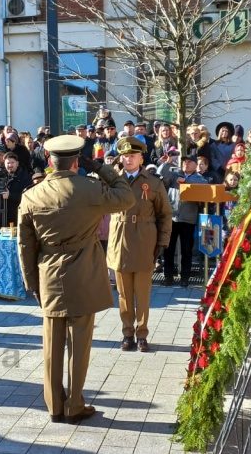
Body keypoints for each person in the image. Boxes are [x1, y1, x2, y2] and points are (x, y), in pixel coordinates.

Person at [17, 135, 135, 425]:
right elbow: (126, 196)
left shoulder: (32, 195)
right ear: (76, 162)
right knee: (79, 344)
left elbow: (25, 245)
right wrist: (100, 168)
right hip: (83, 273)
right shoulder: (90, 189)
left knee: (52, 344)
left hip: (48, 273)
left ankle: (54, 406)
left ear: (49, 161)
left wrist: (31, 282)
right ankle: (74, 405)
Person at [107, 137, 172, 353]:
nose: (128, 159)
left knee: (143, 292)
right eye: (125, 156)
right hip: (120, 241)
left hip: (145, 242)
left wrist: (162, 242)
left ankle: (142, 333)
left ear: (141, 158)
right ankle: (127, 333)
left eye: (132, 155)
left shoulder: (153, 183)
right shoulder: (113, 181)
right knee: (124, 293)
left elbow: (165, 215)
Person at [163, 156, 205, 288]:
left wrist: (186, 184)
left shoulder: (199, 179)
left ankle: (185, 278)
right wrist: (166, 163)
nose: (186, 164)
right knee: (168, 249)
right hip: (172, 218)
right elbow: (161, 176)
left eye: (189, 162)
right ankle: (168, 277)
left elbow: (204, 191)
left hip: (188, 219)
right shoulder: (174, 175)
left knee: (187, 250)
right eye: (184, 162)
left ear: (195, 165)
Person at [0, 152, 32, 228]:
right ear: (4, 164)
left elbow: (28, 197)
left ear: (17, 163)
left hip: (17, 216)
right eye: (8, 163)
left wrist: (10, 196)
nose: (10, 165)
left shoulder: (25, 177)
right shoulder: (0, 175)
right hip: (0, 217)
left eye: (12, 163)